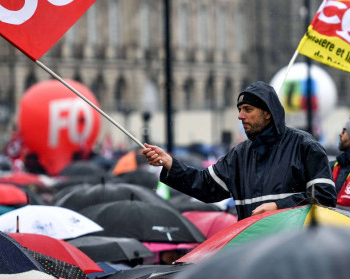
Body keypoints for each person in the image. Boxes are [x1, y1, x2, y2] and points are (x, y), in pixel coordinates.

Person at [141, 81, 336, 220]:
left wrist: (279, 207)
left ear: (268, 113)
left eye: (248, 109)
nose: (240, 116)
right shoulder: (240, 154)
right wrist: (170, 164)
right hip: (251, 254)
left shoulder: (304, 146)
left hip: (292, 253)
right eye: (239, 109)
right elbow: (205, 186)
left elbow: (324, 196)